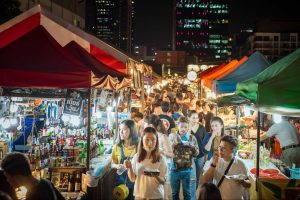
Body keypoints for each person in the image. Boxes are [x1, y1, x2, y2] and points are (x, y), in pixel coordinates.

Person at [125, 127, 168, 200]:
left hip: (156, 196)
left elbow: (163, 181)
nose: (150, 143)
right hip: (139, 195)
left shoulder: (161, 159)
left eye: (153, 139)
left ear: (157, 141)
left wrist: (155, 175)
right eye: (147, 139)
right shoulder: (136, 157)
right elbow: (133, 179)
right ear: (142, 140)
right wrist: (130, 167)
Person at [203, 135, 251, 200]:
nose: (220, 150)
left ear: (232, 150)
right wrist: (213, 164)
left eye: (223, 148)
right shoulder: (214, 160)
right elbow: (206, 180)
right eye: (219, 147)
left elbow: (249, 184)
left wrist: (243, 182)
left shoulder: (240, 163)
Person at [169, 116, 199, 200]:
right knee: (174, 193)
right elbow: (168, 152)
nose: (183, 129)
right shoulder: (172, 136)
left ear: (188, 127)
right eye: (181, 126)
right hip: (174, 169)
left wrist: (192, 146)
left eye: (185, 127)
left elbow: (197, 154)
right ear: (177, 126)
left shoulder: (192, 138)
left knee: (187, 193)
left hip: (187, 170)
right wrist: (175, 143)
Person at [144, 114, 173, 199]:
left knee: (163, 194)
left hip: (163, 167)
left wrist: (161, 152)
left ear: (152, 125)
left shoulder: (162, 137)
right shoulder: (146, 137)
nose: (144, 127)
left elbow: (171, 154)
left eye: (146, 125)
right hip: (151, 166)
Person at [111, 120, 139, 200]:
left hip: (135, 184)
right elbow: (112, 163)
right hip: (120, 185)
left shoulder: (139, 147)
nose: (121, 132)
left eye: (124, 129)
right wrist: (117, 166)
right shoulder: (117, 146)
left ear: (132, 130)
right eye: (120, 129)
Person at [188, 110, 209, 190]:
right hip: (189, 156)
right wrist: (189, 130)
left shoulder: (201, 128)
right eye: (193, 118)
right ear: (189, 118)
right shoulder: (186, 128)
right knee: (190, 175)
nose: (195, 120)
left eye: (196, 118)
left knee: (197, 175)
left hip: (200, 156)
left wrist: (205, 155)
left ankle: (194, 191)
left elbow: (205, 142)